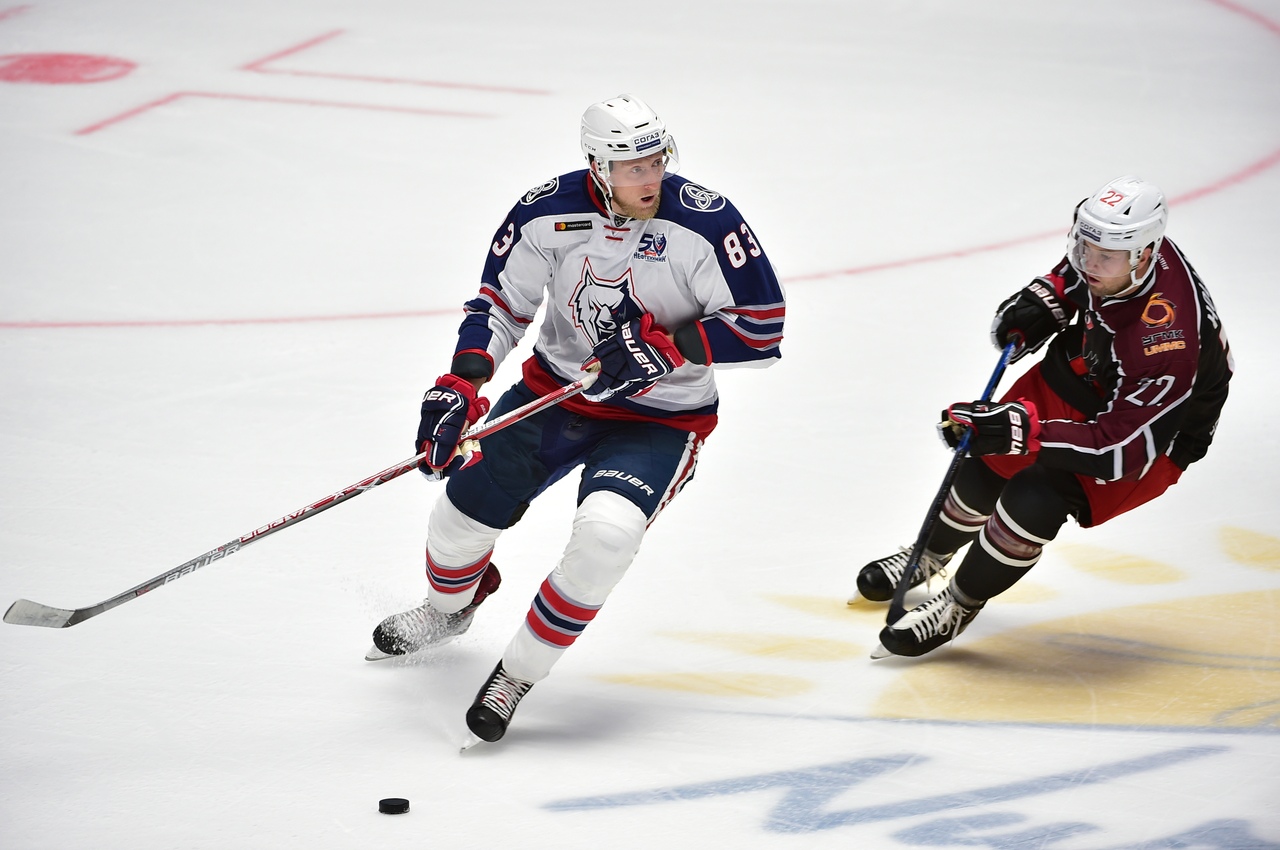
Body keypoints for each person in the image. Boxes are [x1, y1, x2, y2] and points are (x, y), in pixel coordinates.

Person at [368, 94, 785, 742]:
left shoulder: (706, 224)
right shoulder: (547, 212)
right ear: (597, 166)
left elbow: (762, 328)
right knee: (457, 520)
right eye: (633, 168)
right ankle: (448, 611)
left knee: (607, 536)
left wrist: (671, 345)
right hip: (556, 394)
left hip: (662, 420)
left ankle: (517, 674)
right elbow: (500, 305)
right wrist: (462, 382)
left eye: (657, 162)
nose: (650, 178)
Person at [854, 175, 1232, 659]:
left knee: (1036, 494)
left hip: (1150, 436)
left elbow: (1117, 450)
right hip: (1095, 369)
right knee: (986, 453)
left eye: (1104, 257)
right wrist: (1047, 300)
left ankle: (960, 601)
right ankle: (928, 553)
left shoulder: (1166, 340)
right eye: (1083, 246)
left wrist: (1021, 433)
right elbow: (1078, 274)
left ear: (1144, 255)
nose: (1089, 262)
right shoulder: (1122, 253)